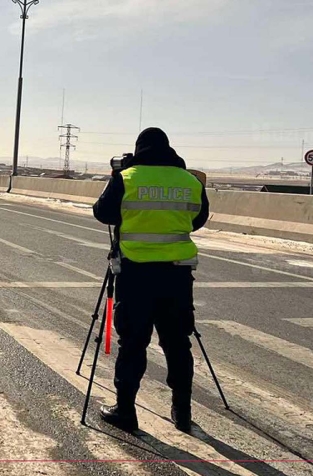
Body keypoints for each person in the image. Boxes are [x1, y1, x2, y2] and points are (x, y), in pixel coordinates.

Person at [91, 127, 209, 433]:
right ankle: (182, 411)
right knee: (177, 343)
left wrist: (117, 177)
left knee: (132, 343)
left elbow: (103, 213)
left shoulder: (127, 178)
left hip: (136, 273)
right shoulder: (190, 181)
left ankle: (126, 411)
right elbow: (197, 220)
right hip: (177, 275)